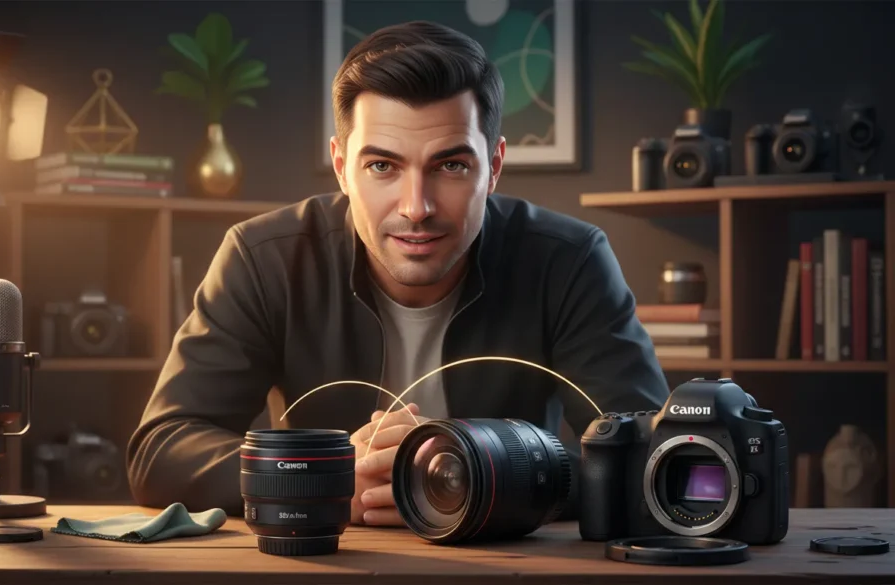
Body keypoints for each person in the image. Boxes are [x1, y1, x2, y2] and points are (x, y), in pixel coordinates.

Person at [126, 20, 669, 526]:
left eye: (450, 166)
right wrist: (326, 474)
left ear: (494, 168)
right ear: (342, 167)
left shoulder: (568, 260)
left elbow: (651, 455)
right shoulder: (262, 256)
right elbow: (162, 451)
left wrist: (480, 473)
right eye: (382, 166)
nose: (416, 207)